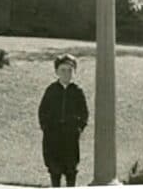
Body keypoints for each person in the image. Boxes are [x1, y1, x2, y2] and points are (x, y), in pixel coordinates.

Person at [38, 53, 89, 187]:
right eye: (63, 70)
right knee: (55, 168)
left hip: (70, 137)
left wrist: (78, 128)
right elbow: (43, 111)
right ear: (56, 72)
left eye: (70, 70)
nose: (66, 74)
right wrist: (46, 128)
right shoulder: (51, 90)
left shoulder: (77, 91)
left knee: (70, 168)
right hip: (53, 136)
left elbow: (84, 114)